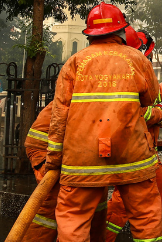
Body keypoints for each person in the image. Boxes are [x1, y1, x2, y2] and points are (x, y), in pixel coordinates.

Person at [46, 2, 162, 242]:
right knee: (146, 216)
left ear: (90, 34)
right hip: (131, 155)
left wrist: (54, 161)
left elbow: (59, 117)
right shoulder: (137, 59)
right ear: (122, 31)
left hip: (81, 159)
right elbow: (151, 99)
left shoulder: (74, 63)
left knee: (73, 219)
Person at [106, 27, 162, 242]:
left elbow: (151, 95)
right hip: (131, 151)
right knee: (122, 203)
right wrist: (157, 115)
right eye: (149, 54)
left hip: (147, 150)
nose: (150, 58)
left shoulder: (135, 68)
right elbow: (129, 113)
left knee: (160, 197)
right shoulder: (124, 71)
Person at [24, 102, 107, 241]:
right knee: (51, 208)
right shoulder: (93, 90)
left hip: (71, 153)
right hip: (48, 150)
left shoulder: (102, 89)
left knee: (97, 204)